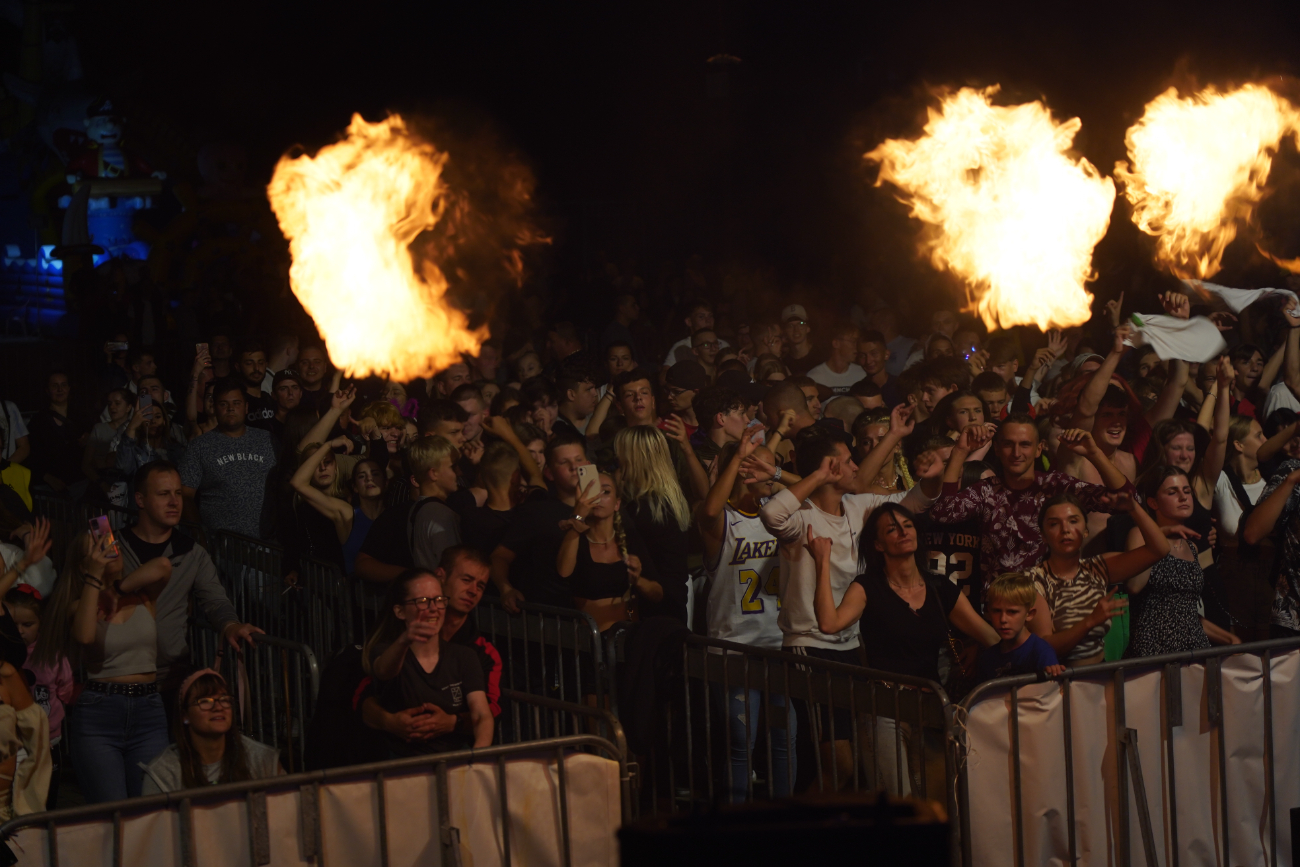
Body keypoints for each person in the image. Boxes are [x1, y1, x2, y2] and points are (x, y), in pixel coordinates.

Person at [806, 502, 996, 793]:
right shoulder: (868, 586)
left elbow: (991, 637)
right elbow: (829, 624)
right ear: (878, 545)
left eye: (907, 526)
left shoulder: (939, 587)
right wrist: (822, 563)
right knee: (898, 803)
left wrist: (979, 647)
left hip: (930, 709)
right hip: (884, 708)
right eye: (892, 529)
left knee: (936, 801)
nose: (904, 532)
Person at [929, 417, 1135, 598]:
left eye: (1025, 444)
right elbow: (942, 513)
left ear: (1039, 449)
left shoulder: (1055, 486)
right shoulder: (986, 490)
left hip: (1052, 604)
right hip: (999, 608)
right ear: (997, 449)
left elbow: (1125, 500)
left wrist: (1094, 453)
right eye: (1008, 444)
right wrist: (960, 451)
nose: (1016, 453)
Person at [698, 431, 795, 801]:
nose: (769, 474)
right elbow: (709, 511)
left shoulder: (780, 514)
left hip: (779, 645)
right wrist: (737, 458)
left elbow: (820, 492)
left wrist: (778, 474)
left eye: (772, 468)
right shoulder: (722, 518)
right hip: (734, 648)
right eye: (761, 467)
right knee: (741, 741)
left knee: (785, 738)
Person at [48, 530, 171, 801]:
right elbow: (84, 636)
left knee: (151, 806)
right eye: (98, 547)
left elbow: (162, 566)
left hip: (148, 710)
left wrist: (116, 590)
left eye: (111, 543)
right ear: (83, 564)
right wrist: (95, 577)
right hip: (100, 712)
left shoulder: (142, 596)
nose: (109, 549)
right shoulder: (79, 606)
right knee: (111, 809)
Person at [1025, 491, 1169, 665]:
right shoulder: (1035, 579)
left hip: (1100, 672)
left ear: (1085, 530)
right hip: (1062, 677)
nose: (1065, 530)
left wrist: (1134, 509)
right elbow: (1044, 646)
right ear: (1043, 535)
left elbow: (1159, 549)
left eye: (1073, 521)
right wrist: (1090, 621)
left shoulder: (1097, 567)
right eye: (1054, 524)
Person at [364, 569, 493, 755]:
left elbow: (481, 715)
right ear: (400, 611)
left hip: (453, 760)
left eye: (439, 600)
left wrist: (478, 760)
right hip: (400, 762)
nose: (434, 608)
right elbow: (384, 671)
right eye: (423, 601)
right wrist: (404, 640)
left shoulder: (464, 656)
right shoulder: (386, 651)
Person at [1124, 467, 1240, 655]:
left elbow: (1187, 614)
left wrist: (1230, 639)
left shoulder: (1191, 547)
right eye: (1172, 492)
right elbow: (1134, 586)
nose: (1183, 497)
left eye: (1187, 491)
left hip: (1194, 649)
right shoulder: (1140, 535)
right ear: (1153, 502)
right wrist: (1158, 536)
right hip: (1155, 650)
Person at [490, 430, 592, 610]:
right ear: (550, 473)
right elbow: (500, 556)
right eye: (564, 462)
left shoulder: (606, 508)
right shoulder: (537, 512)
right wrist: (506, 589)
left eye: (578, 459)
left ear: (589, 464)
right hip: (554, 613)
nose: (574, 467)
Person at [141, 669, 283, 792]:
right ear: (185, 716)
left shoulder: (262, 760)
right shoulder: (163, 773)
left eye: (224, 699)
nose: (218, 707)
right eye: (204, 701)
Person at [558, 471, 659, 631]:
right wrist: (578, 516)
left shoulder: (629, 538)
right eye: (593, 492)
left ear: (617, 504)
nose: (598, 498)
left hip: (629, 637)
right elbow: (563, 572)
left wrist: (638, 581)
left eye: (605, 492)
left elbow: (657, 593)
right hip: (591, 639)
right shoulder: (576, 538)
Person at [179, 379, 278, 538]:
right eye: (223, 404)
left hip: (268, 543)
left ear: (246, 407)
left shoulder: (268, 440)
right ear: (214, 407)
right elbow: (185, 495)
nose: (231, 408)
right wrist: (199, 535)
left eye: (236, 403)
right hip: (222, 544)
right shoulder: (199, 446)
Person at [354, 435, 461, 582]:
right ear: (432, 473)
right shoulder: (438, 514)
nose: (459, 472)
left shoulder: (417, 511)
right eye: (453, 467)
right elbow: (450, 570)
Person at [613, 426, 692, 623]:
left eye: (620, 455)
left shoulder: (643, 509)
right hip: (674, 605)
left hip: (655, 611)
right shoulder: (670, 499)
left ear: (633, 459)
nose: (617, 460)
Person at [9, 587, 70, 808]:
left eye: (27, 624)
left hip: (48, 739)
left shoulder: (51, 655)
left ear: (40, 623)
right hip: (14, 742)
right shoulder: (5, 655)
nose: (20, 631)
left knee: (46, 799)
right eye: (14, 624)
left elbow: (65, 689)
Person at [977, 573, 1064, 682]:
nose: (1003, 619)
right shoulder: (987, 658)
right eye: (996, 611)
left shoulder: (1041, 652)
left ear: (1029, 614)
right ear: (989, 612)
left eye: (1012, 612)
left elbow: (1052, 690)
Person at [289, 439, 355, 570]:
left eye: (327, 462)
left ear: (335, 467)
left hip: (340, 574)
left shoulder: (348, 498)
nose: (323, 468)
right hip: (312, 573)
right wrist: (328, 445)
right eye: (315, 464)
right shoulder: (301, 505)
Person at [27, 370, 88, 496]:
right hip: (48, 487)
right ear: (47, 390)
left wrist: (89, 439)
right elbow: (31, 455)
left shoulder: (82, 417)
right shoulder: (38, 421)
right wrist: (46, 477)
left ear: (69, 388)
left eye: (63, 385)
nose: (60, 389)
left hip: (79, 483)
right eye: (55, 386)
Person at [808, 323, 866, 395]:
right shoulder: (815, 377)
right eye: (853, 341)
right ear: (836, 343)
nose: (857, 346)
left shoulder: (862, 375)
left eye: (858, 342)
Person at [553, 368, 600, 437]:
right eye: (589, 389)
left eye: (594, 388)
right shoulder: (553, 430)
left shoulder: (599, 420)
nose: (595, 393)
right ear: (571, 395)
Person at [780, 304, 819, 376]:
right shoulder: (784, 362)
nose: (796, 330)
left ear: (808, 328)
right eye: (790, 325)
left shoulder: (821, 357)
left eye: (801, 324)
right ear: (785, 331)